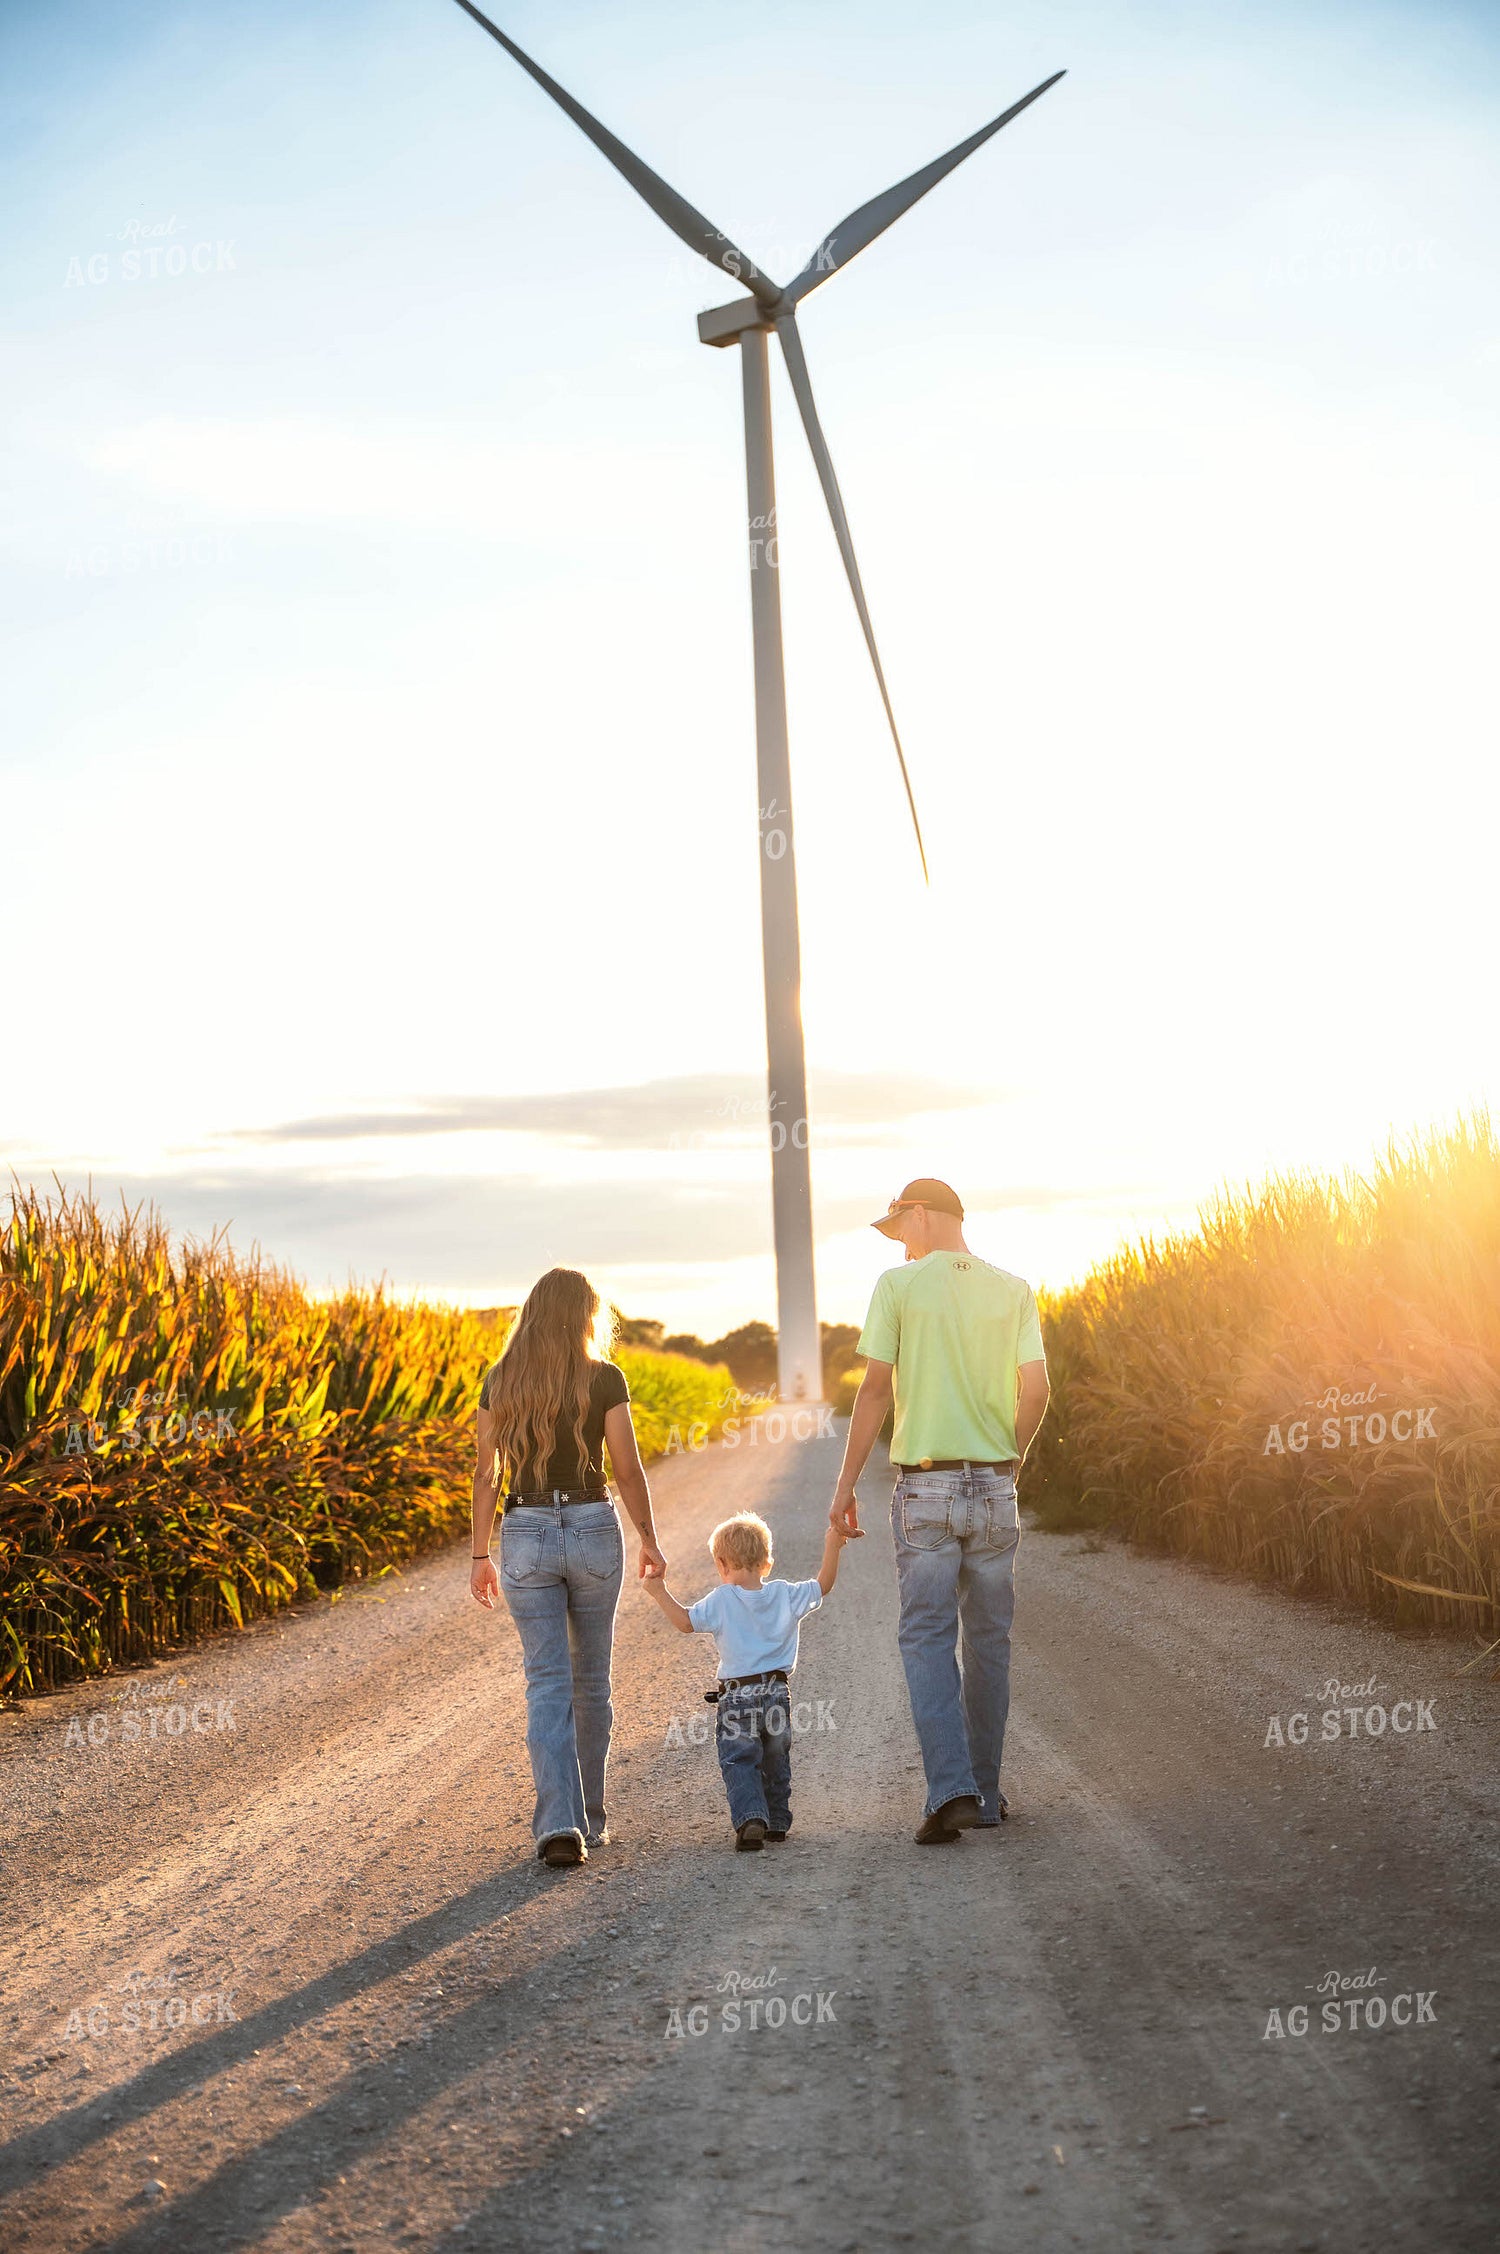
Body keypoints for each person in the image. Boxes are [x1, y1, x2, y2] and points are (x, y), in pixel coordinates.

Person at [830, 1178, 1049, 1844]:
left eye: (899, 1228)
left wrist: (844, 1487)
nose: (897, 1243)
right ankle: (984, 1796)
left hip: (925, 1490)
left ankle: (950, 1786)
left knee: (927, 1636)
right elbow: (1036, 1390)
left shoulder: (898, 1288)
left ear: (921, 1215)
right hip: (994, 1487)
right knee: (989, 1643)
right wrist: (1010, 1462)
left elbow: (873, 1394)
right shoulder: (1013, 1288)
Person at [469, 1268, 666, 1869]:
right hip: (591, 1526)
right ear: (586, 1315)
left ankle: (559, 1824)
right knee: (592, 1681)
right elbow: (627, 1468)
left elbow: (486, 1474)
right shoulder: (604, 1377)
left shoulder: (501, 1379)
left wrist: (481, 1554)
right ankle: (592, 1820)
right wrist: (649, 1539)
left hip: (524, 1531)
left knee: (546, 1682)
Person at [643, 1509, 847, 1852]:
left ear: (722, 1564)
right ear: (766, 1561)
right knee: (775, 1758)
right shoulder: (784, 1594)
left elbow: (685, 1622)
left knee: (740, 1759)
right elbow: (823, 1585)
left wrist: (657, 1591)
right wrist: (833, 1545)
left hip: (738, 1696)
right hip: (777, 1692)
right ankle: (777, 1821)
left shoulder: (722, 1598)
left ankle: (752, 1818)